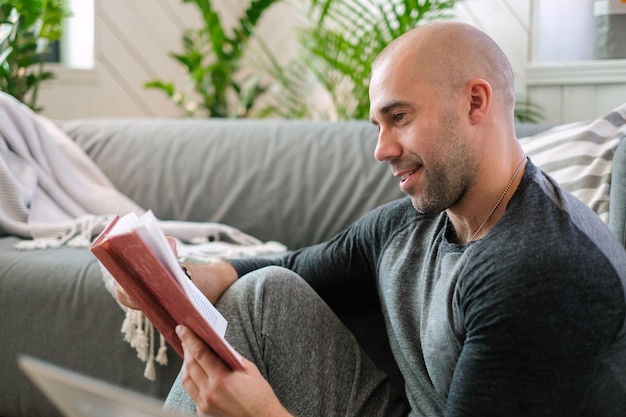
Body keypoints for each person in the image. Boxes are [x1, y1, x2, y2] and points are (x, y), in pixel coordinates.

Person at [117, 21, 626, 417]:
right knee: (262, 294)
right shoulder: (417, 222)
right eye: (378, 124)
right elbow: (302, 265)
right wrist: (195, 278)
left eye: (399, 117)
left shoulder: (538, 269)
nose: (382, 149)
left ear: (475, 102)